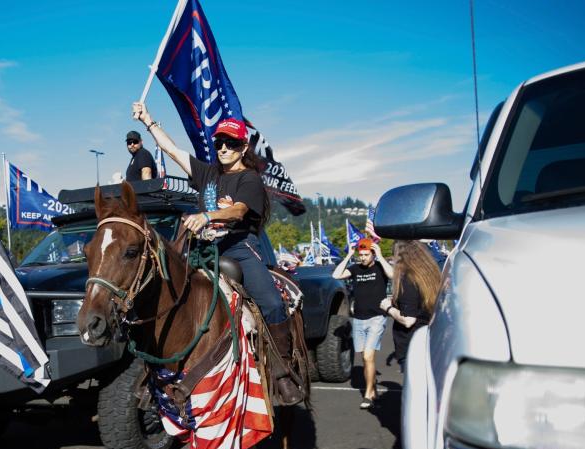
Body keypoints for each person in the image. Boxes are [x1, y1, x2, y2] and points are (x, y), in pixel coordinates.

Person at [131, 102, 295, 367]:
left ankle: (282, 367)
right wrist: (148, 121)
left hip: (239, 248)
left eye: (230, 144)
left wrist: (208, 216)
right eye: (219, 144)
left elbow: (239, 210)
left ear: (243, 147)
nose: (223, 149)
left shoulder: (249, 179)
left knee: (273, 304)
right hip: (201, 249)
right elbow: (172, 150)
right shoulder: (208, 173)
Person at [332, 237, 393, 409]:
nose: (363, 258)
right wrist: (348, 255)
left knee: (368, 356)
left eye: (366, 255)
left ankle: (367, 395)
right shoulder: (355, 268)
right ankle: (373, 390)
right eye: (361, 255)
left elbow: (393, 275)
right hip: (358, 319)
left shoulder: (380, 267)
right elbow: (336, 275)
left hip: (376, 318)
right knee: (366, 360)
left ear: (373, 254)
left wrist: (380, 256)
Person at [379, 240, 441, 371]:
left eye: (394, 256)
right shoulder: (428, 276)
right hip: (427, 340)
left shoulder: (408, 280)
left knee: (414, 388)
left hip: (411, 345)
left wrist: (388, 308)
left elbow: (408, 320)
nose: (393, 260)